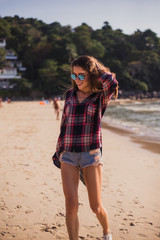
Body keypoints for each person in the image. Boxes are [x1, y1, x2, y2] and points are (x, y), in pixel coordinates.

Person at [52, 55, 118, 240]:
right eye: (74, 76)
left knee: (95, 206)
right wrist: (59, 151)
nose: (77, 80)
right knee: (71, 205)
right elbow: (64, 126)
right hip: (68, 155)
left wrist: (96, 69)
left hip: (91, 155)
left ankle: (106, 231)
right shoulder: (70, 96)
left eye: (82, 75)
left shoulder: (100, 97)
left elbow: (111, 82)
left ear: (91, 74)